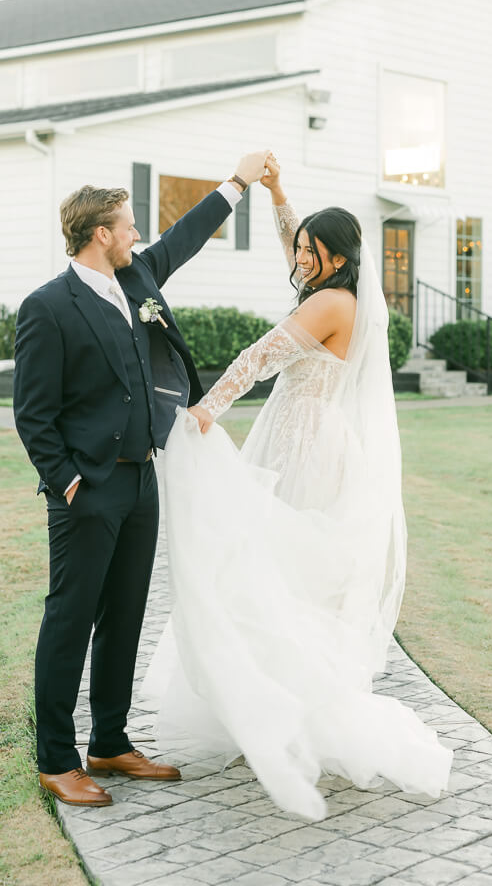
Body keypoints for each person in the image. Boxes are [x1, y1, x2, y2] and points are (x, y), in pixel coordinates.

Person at [145, 153, 453, 820]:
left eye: (314, 251)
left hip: (307, 444)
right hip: (309, 433)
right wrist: (278, 191)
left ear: (337, 259)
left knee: (284, 571)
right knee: (282, 570)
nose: (302, 258)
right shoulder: (340, 290)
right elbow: (297, 243)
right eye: (302, 249)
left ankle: (300, 710)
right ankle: (273, 700)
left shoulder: (330, 304)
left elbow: (257, 357)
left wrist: (207, 411)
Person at [13, 151, 269, 807]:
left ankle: (110, 741)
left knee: (125, 616)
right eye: (127, 226)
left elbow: (186, 236)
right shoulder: (48, 307)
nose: (137, 235)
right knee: (70, 619)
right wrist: (68, 482)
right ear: (100, 233)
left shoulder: (140, 279)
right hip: (88, 492)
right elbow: (33, 415)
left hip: (141, 481)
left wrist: (237, 183)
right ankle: (55, 758)